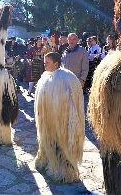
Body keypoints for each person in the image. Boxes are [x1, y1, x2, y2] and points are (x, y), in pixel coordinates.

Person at [35, 52, 85, 183]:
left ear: (56, 64)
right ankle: (47, 162)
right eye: (44, 62)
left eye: (47, 62)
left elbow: (73, 102)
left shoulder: (66, 78)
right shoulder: (45, 78)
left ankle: (64, 171)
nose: (44, 64)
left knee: (62, 144)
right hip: (48, 121)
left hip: (64, 121)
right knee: (48, 141)